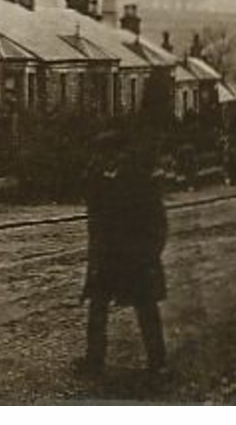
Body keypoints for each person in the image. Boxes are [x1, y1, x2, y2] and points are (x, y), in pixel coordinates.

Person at [78, 126, 168, 376]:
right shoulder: (97, 180)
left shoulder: (139, 180)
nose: (102, 160)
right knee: (97, 307)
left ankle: (157, 361)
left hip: (135, 256)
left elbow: (157, 221)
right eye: (99, 155)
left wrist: (149, 253)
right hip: (107, 257)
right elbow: (95, 222)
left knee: (145, 306)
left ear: (119, 154)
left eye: (107, 154)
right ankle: (94, 360)